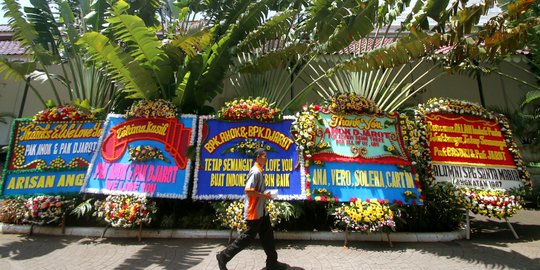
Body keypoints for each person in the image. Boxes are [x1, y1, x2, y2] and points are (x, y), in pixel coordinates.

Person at [216, 148, 288, 270]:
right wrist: (264, 195)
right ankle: (223, 256)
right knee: (247, 238)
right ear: (258, 157)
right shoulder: (255, 172)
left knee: (268, 236)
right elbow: (248, 190)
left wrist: (264, 194)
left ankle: (272, 262)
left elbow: (256, 190)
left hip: (261, 211)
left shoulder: (259, 170)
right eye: (264, 156)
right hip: (254, 212)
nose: (266, 158)